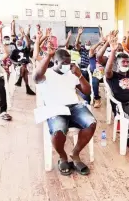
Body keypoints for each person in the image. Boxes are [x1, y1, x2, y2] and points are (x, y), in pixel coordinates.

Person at [33, 37, 96, 176]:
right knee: (58, 131)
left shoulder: (72, 74)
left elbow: (87, 91)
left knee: (91, 123)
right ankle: (62, 156)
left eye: (70, 62)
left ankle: (75, 153)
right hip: (55, 108)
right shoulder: (47, 74)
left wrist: (80, 76)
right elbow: (36, 76)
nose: (68, 65)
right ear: (55, 62)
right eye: (65, 63)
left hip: (74, 106)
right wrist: (48, 55)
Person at [9, 26, 36, 95]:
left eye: (20, 42)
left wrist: (24, 33)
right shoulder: (14, 51)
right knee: (24, 68)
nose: (19, 43)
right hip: (18, 66)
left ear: (22, 43)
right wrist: (18, 63)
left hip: (28, 66)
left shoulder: (25, 50)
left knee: (24, 67)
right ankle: (27, 88)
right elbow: (11, 59)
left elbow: (28, 43)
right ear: (16, 44)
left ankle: (20, 79)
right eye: (18, 43)